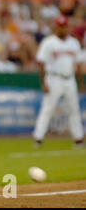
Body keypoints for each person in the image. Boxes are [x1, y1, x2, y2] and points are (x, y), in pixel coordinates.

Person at [33, 15, 85, 148]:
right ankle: (38, 138)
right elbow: (41, 63)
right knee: (48, 109)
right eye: (60, 26)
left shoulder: (73, 43)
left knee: (73, 109)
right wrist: (43, 83)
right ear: (56, 26)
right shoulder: (49, 42)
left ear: (67, 27)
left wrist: (81, 83)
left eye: (64, 26)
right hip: (54, 78)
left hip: (69, 79)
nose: (62, 29)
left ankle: (78, 138)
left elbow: (78, 64)